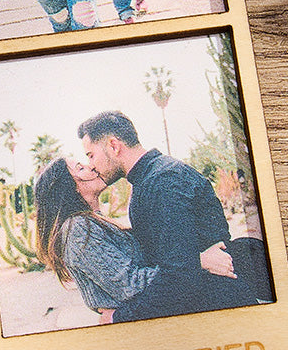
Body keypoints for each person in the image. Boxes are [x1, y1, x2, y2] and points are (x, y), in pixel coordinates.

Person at [77, 110, 273, 322]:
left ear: (114, 146)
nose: (91, 165)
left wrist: (119, 317)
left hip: (222, 314)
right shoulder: (151, 179)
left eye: (91, 155)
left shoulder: (163, 181)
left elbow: (179, 277)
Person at [33, 156, 233, 323]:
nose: (91, 166)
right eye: (81, 168)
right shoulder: (78, 229)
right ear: (71, 187)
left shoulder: (93, 222)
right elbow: (129, 285)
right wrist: (198, 262)